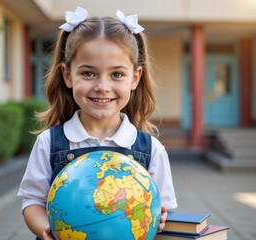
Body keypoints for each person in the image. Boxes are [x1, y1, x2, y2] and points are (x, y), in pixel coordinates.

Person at [18, 6, 177, 240]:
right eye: (89, 73)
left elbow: (165, 210)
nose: (102, 86)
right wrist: (46, 229)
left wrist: (161, 219)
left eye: (116, 74)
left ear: (135, 78)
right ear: (67, 75)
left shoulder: (151, 150)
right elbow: (32, 201)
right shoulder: (49, 143)